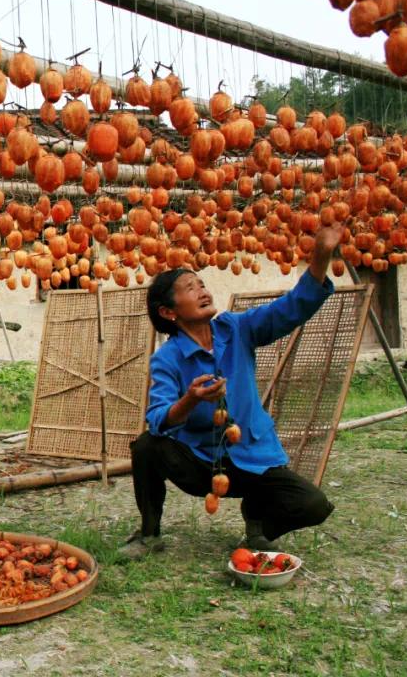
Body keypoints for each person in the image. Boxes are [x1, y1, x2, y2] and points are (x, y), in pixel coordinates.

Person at [120, 225, 344, 559]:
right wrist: (191, 399)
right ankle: (149, 534)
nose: (202, 291)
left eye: (202, 284)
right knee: (147, 447)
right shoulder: (167, 359)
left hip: (253, 455)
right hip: (201, 462)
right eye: (189, 288)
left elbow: (289, 309)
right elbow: (158, 419)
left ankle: (258, 525)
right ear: (169, 312)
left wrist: (321, 257)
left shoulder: (237, 328)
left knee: (314, 505)